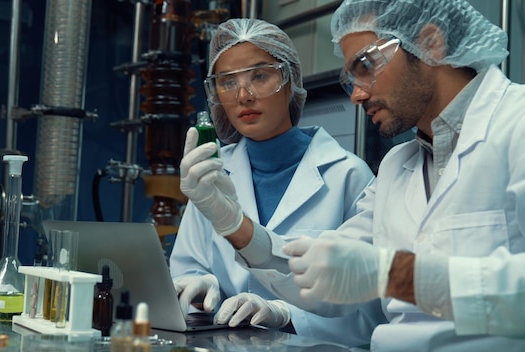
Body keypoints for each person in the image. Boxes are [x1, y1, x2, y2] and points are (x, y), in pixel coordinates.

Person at [179, 1, 525, 350]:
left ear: (431, 42)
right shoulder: (395, 167)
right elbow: (327, 271)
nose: (357, 94)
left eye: (366, 65)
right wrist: (233, 225)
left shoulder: (517, 123)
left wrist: (394, 275)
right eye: (351, 78)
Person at [171, 18, 383, 345]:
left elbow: (370, 312)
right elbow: (186, 269)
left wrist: (287, 313)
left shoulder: (348, 175)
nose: (243, 95)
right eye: (227, 82)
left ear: (291, 79)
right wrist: (198, 287)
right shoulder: (210, 174)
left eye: (260, 75)